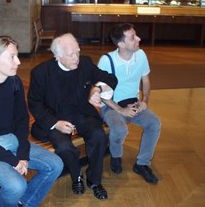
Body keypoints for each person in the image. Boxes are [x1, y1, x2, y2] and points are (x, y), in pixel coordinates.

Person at [0, 36, 63, 207]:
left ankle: (25, 203)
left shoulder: (14, 83)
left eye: (17, 56)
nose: (18, 61)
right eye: (11, 57)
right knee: (16, 185)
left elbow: (22, 121)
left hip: (12, 140)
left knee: (55, 164)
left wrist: (22, 155)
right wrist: (13, 160)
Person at [27, 33, 118, 200]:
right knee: (63, 147)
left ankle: (94, 180)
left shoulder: (85, 63)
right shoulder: (41, 73)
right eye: (71, 55)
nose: (76, 58)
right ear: (57, 56)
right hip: (55, 118)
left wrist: (97, 89)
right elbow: (35, 104)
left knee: (99, 136)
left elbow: (110, 79)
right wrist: (55, 123)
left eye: (78, 52)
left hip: (82, 115)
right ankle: (76, 176)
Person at [97, 23, 161, 184]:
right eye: (133, 37)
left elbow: (145, 80)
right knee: (119, 129)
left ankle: (142, 164)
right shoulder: (106, 60)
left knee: (154, 123)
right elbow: (101, 92)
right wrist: (120, 109)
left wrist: (145, 101)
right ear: (121, 44)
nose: (138, 38)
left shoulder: (141, 55)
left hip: (134, 102)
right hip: (111, 105)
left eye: (136, 35)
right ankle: (116, 156)